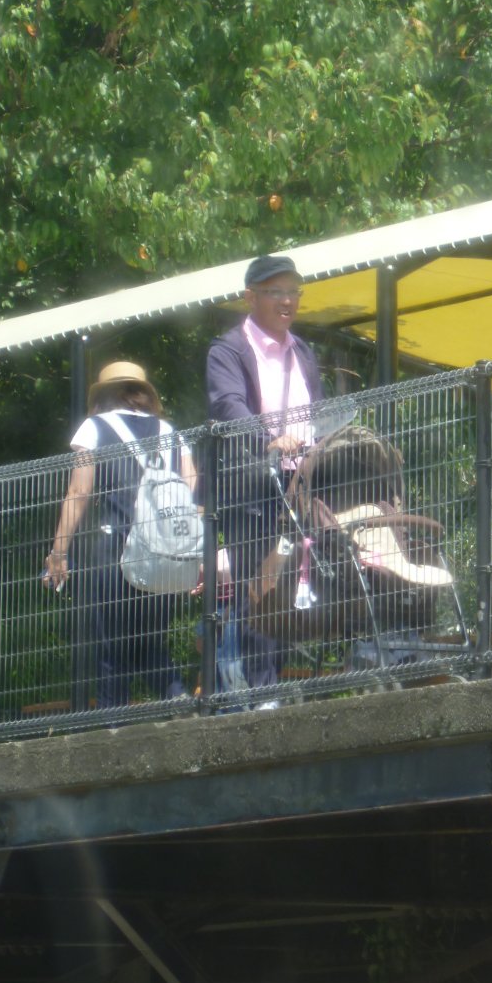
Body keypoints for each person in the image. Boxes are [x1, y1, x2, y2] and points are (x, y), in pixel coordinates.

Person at [206, 254, 325, 701]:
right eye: (276, 291)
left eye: (294, 291)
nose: (288, 300)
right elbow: (228, 405)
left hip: (298, 491)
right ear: (250, 297)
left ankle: (267, 695)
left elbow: (318, 411)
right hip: (253, 493)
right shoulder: (229, 350)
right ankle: (256, 699)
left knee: (289, 598)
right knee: (257, 597)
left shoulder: (304, 352)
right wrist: (267, 441)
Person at [46, 361, 192, 709]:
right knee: (149, 641)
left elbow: (79, 492)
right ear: (142, 394)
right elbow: (190, 490)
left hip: (116, 551)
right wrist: (190, 555)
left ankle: (113, 727)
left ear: (104, 395)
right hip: (164, 554)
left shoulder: (93, 427)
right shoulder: (170, 431)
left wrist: (58, 552)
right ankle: (178, 699)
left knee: (111, 646)